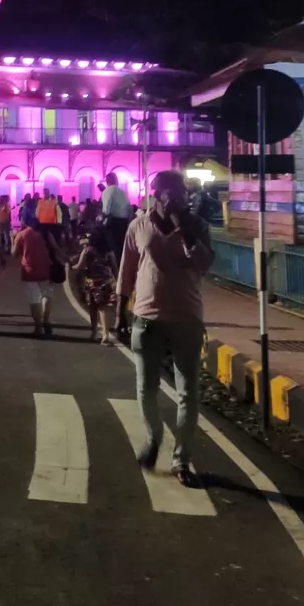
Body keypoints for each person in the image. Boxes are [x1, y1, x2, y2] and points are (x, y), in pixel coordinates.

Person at [117, 169, 213, 488]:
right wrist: (120, 312)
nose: (175, 197)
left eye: (179, 191)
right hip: (146, 320)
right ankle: (154, 437)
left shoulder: (197, 226)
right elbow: (126, 271)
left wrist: (181, 227)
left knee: (189, 393)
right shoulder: (138, 225)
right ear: (155, 194)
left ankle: (182, 459)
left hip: (187, 319)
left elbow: (204, 263)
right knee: (146, 389)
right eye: (168, 192)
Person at [12, 214, 60, 337]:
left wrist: (12, 238)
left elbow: (14, 254)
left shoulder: (22, 235)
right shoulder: (45, 233)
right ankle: (45, 320)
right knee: (46, 295)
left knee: (34, 300)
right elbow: (55, 248)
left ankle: (38, 327)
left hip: (29, 270)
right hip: (45, 269)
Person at [70, 222, 119, 344]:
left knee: (92, 309)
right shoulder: (109, 252)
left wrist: (70, 265)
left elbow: (79, 266)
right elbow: (115, 268)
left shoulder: (87, 250)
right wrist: (117, 281)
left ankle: (93, 333)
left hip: (91, 283)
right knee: (103, 308)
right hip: (105, 282)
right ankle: (105, 335)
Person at [100, 171, 132, 257]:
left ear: (107, 181)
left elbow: (106, 210)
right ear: (116, 180)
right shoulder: (123, 192)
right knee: (122, 247)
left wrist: (101, 219)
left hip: (113, 223)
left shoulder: (107, 191)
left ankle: (115, 267)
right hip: (124, 222)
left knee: (113, 247)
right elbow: (129, 208)